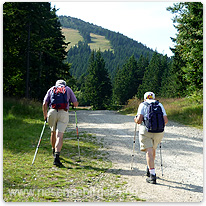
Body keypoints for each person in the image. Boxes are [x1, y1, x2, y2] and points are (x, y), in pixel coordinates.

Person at [134, 92, 168, 184]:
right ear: (154, 98)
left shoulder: (142, 105)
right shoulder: (159, 104)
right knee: (153, 149)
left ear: (145, 98)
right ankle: (150, 168)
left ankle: (152, 175)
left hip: (146, 130)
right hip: (159, 131)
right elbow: (165, 120)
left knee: (148, 151)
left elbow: (139, 120)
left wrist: (135, 119)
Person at [43, 79, 79, 166]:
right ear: (64, 84)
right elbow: (75, 103)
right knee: (60, 135)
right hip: (63, 112)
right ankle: (57, 157)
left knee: (53, 132)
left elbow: (44, 103)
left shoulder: (51, 89)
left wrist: (45, 116)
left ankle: (53, 149)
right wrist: (72, 104)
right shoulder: (68, 89)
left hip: (52, 111)